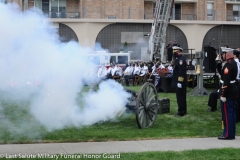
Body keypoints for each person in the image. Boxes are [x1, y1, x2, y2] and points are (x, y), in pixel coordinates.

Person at [218, 47, 239, 140]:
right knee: (232, 113)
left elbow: (226, 82)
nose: (222, 55)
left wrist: (223, 95)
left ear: (228, 54)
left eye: (223, 54)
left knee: (227, 113)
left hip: (228, 92)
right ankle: (231, 133)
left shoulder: (228, 65)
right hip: (233, 91)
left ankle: (227, 134)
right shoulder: (233, 63)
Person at [172, 46, 187, 116]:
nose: (174, 54)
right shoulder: (178, 59)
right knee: (181, 96)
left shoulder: (181, 60)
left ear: (179, 52)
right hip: (179, 81)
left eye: (176, 52)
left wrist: (180, 82)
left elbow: (182, 72)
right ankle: (183, 110)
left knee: (180, 97)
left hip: (180, 81)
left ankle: (181, 111)